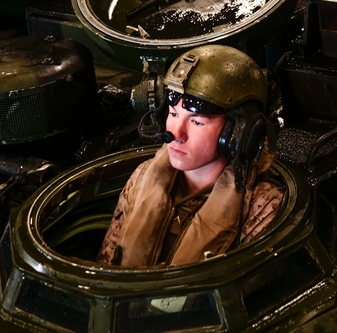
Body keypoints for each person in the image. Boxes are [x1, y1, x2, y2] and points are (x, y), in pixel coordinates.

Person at [97, 45, 284, 267]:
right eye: (173, 114)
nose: (175, 133)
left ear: (237, 133)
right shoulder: (142, 177)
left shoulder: (261, 206)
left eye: (197, 122)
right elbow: (106, 265)